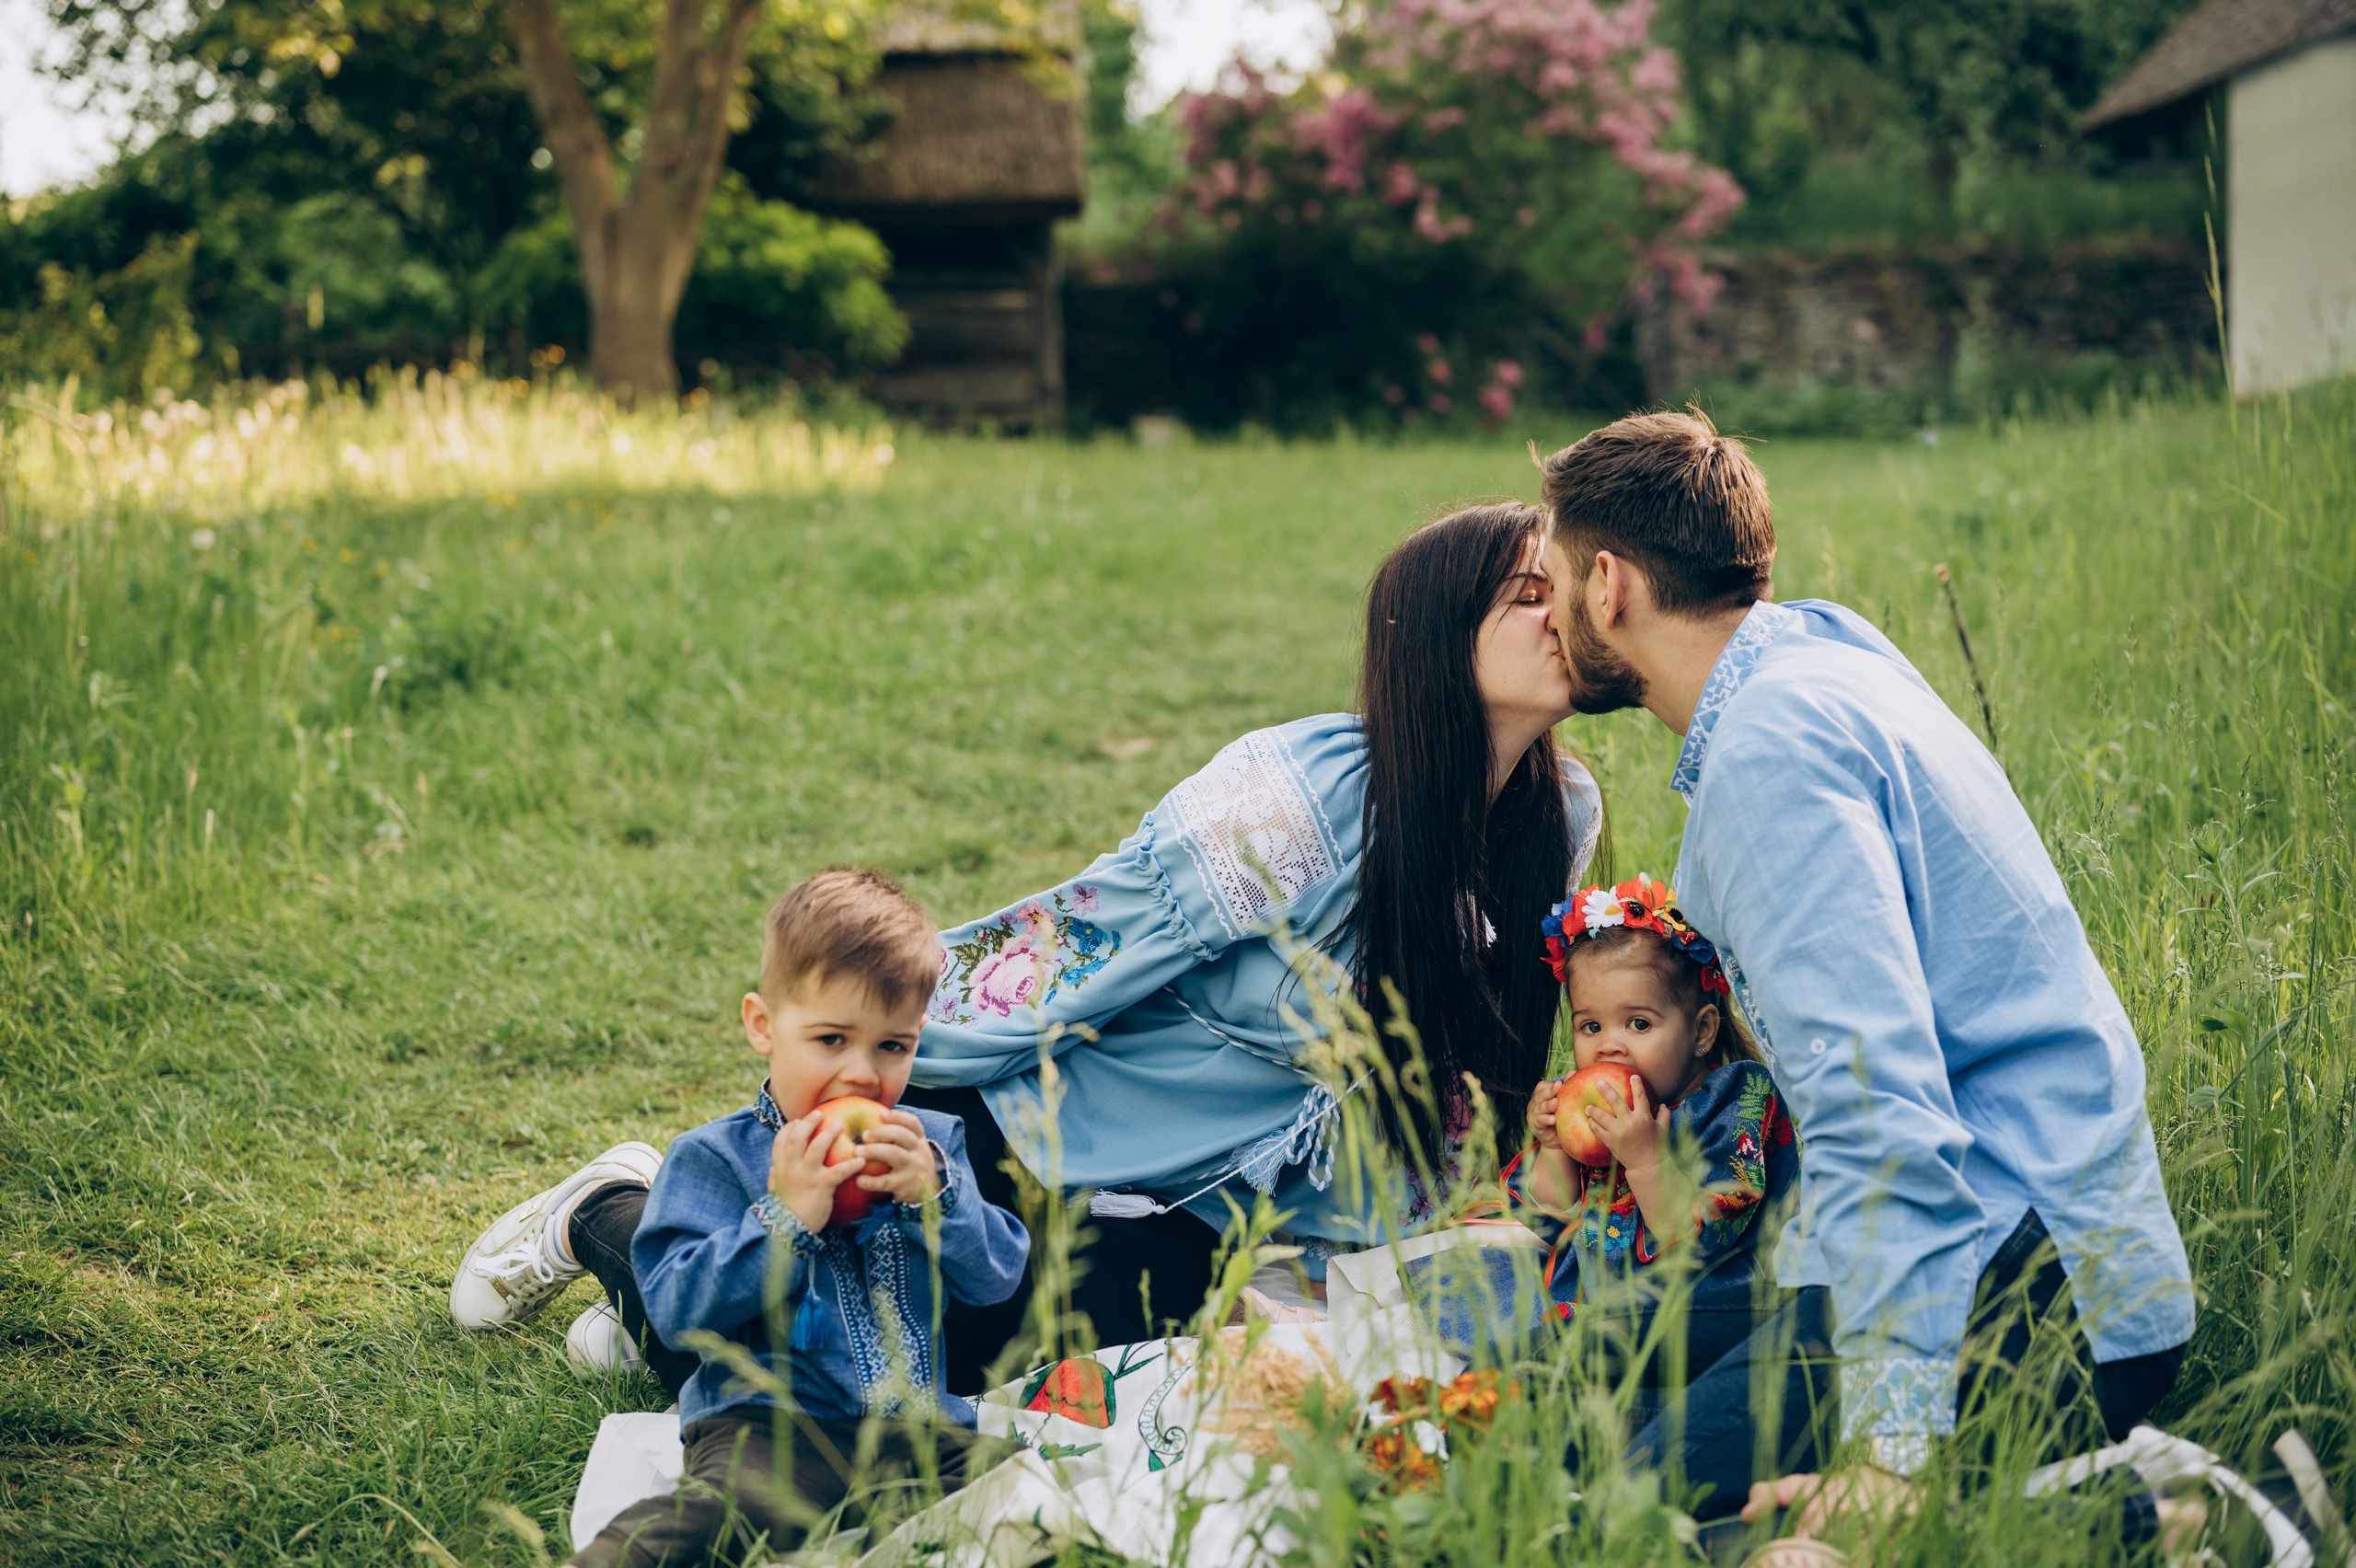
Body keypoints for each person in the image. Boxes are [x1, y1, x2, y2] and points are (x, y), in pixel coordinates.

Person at [449, 502, 1606, 1398]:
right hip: (1030, 1135)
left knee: (1001, 1387)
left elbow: (1453, 1080)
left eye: (1568, 591)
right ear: (1433, 629)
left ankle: (661, 1301)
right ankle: (615, 1208)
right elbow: (1073, 942)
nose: (1564, 614)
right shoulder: (1301, 795)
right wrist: (864, 1069)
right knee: (837, 1352)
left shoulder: (1562, 817)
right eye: (1525, 593)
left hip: (1197, 1215)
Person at [1534, 410, 2194, 1548]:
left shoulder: (1769, 759)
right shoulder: (1818, 653)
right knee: (1577, 1392)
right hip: (1988, 1232)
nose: (1545, 614)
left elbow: (1881, 1111)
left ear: (1608, 586)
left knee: (1625, 1526)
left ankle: (2150, 1520)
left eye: (1546, 586)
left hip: (2026, 1282)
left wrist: (1892, 1455)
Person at [548, 870, 1028, 1568]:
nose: (863, 1074)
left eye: (892, 1046)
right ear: (763, 1026)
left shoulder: (932, 1148)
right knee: (718, 1520)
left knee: (1030, 1497)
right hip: (773, 1431)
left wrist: (940, 1200)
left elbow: (996, 1279)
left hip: (920, 1433)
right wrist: (785, 1218)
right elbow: (680, 1309)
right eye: (832, 1039)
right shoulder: (717, 1158)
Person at [1508, 873, 1797, 1378]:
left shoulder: (1734, 1099)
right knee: (1508, 1344)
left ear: (1701, 1030)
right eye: (1589, 1026)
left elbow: (1700, 1239)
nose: (1608, 1047)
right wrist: (1554, 1146)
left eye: (1638, 1024)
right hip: (1594, 1301)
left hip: (1698, 1317)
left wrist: (1647, 1159)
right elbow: (1546, 1218)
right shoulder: (1594, 1103)